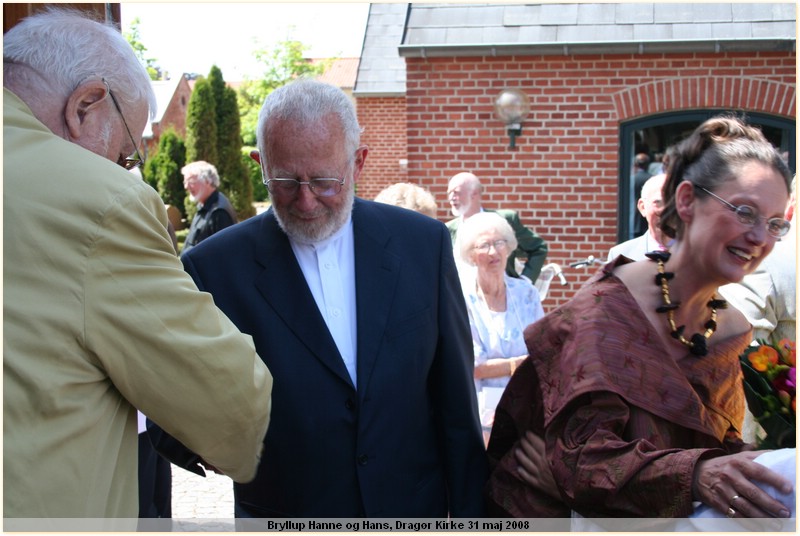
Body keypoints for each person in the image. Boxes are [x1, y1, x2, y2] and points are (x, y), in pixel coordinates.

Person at [150, 78, 488, 518]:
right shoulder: (213, 268)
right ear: (260, 164)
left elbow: (456, 409)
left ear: (359, 162)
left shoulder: (422, 245)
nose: (306, 201)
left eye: (325, 181)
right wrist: (207, 439)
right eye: (286, 181)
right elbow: (163, 397)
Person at [3, 8, 272, 521]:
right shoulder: (97, 200)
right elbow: (233, 406)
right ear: (86, 106)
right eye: (128, 156)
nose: (126, 171)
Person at [485, 115, 794, 521]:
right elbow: (583, 461)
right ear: (686, 201)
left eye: (775, 224)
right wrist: (696, 475)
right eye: (744, 212)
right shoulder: (604, 309)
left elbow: (712, 445)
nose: (760, 238)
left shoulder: (731, 327)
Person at [458, 212, 545, 444]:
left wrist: (507, 366)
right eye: (484, 245)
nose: (493, 252)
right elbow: (474, 366)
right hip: (480, 416)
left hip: (526, 409)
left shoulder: (527, 293)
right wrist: (518, 364)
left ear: (509, 248)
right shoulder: (462, 300)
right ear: (471, 255)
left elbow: (543, 352)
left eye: (499, 243)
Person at [446, 171, 548, 282]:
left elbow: (538, 248)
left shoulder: (504, 220)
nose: (451, 198)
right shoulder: (448, 229)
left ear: (474, 193)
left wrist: (525, 281)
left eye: (456, 192)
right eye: (449, 193)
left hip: (502, 295)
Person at [608, 173, 673, 261]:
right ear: (642, 207)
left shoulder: (695, 253)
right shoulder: (620, 255)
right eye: (658, 203)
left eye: (672, 203)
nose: (666, 210)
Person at [181, 160, 238, 257]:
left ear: (207, 181)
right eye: (185, 182)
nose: (186, 186)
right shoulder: (205, 205)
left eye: (190, 181)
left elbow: (223, 253)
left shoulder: (219, 212)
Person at [632, 152, 653, 236]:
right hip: (647, 218)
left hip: (633, 217)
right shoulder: (652, 179)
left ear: (636, 164)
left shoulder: (632, 179)